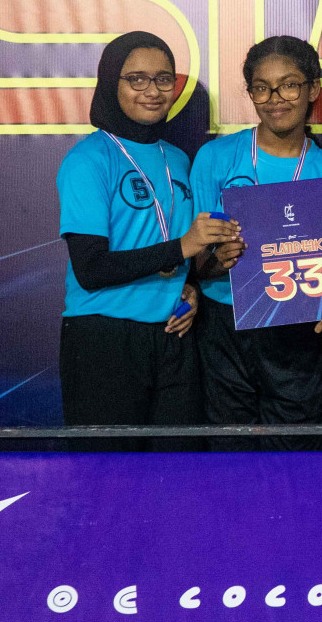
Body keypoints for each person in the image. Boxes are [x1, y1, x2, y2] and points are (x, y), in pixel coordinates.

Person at [56, 30, 237, 425]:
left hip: (174, 333)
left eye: (163, 79)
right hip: (104, 337)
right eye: (136, 79)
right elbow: (91, 269)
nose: (152, 91)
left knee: (175, 474)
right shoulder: (88, 159)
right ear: (110, 83)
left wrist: (189, 288)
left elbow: (175, 249)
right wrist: (181, 249)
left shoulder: (178, 159)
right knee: (111, 476)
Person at [188, 36, 322, 429]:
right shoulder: (216, 158)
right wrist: (216, 262)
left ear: (313, 89)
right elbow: (196, 264)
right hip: (224, 323)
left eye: (289, 84)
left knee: (295, 454)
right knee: (230, 453)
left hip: (297, 328)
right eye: (262, 87)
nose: (275, 98)